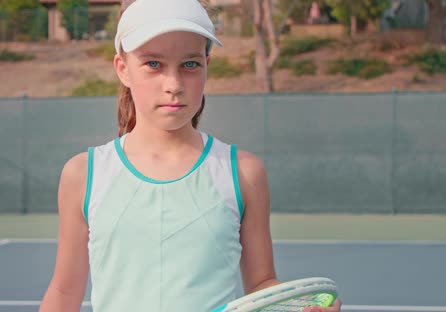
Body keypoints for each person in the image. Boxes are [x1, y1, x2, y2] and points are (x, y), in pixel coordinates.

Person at [39, 0, 342, 311]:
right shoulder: (83, 174)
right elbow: (64, 292)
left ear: (207, 65)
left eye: (190, 64)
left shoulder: (244, 173)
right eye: (153, 64)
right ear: (123, 69)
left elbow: (262, 285)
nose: (174, 85)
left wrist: (298, 306)